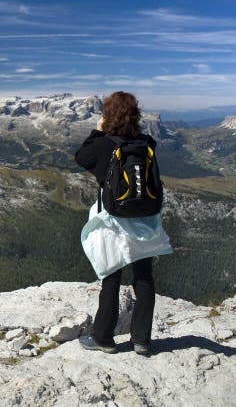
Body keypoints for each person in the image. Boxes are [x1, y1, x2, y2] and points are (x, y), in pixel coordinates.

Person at [74, 91, 158, 356]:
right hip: (145, 216)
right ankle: (142, 340)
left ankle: (104, 339)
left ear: (107, 115)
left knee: (111, 276)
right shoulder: (147, 142)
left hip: (113, 217)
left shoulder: (103, 143)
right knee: (144, 276)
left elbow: (82, 157)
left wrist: (97, 131)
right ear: (136, 115)